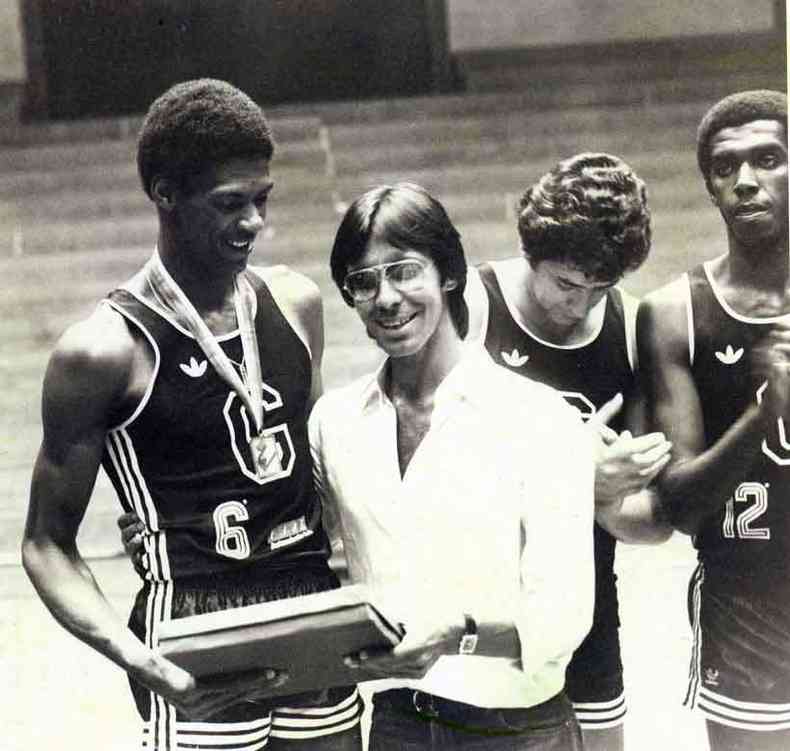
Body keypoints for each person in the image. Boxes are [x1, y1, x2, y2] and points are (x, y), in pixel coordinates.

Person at [21, 79, 363, 751]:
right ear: (165, 194)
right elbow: (44, 542)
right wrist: (130, 651)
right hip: (194, 621)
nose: (254, 223)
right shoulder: (104, 350)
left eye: (262, 201)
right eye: (230, 204)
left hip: (309, 601)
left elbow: (319, 472)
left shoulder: (294, 302)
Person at [310, 182, 596, 749]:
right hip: (397, 725)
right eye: (363, 283)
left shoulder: (538, 416)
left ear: (448, 273)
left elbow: (564, 619)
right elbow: (315, 560)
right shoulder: (334, 423)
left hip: (518, 730)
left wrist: (457, 637)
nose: (387, 298)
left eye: (404, 271)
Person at [462, 152, 673, 751]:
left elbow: (645, 527)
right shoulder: (475, 305)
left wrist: (604, 492)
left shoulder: (631, 327)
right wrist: (575, 475)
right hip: (483, 601)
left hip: (585, 604)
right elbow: (433, 477)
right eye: (565, 284)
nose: (579, 305)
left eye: (600, 288)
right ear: (532, 254)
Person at [637, 90, 790, 751]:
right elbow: (679, 504)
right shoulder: (674, 312)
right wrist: (765, 412)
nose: (746, 180)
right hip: (746, 600)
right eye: (726, 168)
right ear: (709, 187)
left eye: (768, 158)